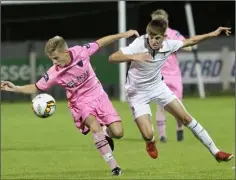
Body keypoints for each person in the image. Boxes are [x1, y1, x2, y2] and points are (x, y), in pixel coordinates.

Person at [1, 30, 139, 176]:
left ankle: (106, 133)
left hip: (99, 95)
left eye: (55, 58)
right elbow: (36, 87)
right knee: (94, 126)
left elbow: (101, 42)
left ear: (66, 52)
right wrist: (15, 88)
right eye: (51, 59)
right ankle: (114, 167)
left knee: (118, 133)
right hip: (79, 103)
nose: (54, 62)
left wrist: (122, 35)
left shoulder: (81, 52)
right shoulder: (54, 72)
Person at [108, 16, 233, 162]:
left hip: (158, 87)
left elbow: (191, 41)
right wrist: (135, 57)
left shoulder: (169, 45)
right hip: (137, 92)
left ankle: (216, 152)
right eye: (151, 37)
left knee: (186, 118)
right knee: (147, 134)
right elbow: (112, 57)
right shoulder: (139, 43)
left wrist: (213, 33)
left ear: (165, 37)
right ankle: (150, 141)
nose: (154, 41)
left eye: (158, 38)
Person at [151, 9, 192, 143]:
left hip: (174, 75)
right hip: (159, 75)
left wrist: (175, 43)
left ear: (166, 21)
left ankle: (180, 127)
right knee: (160, 105)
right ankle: (162, 136)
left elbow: (189, 47)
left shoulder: (174, 34)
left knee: (177, 105)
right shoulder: (151, 35)